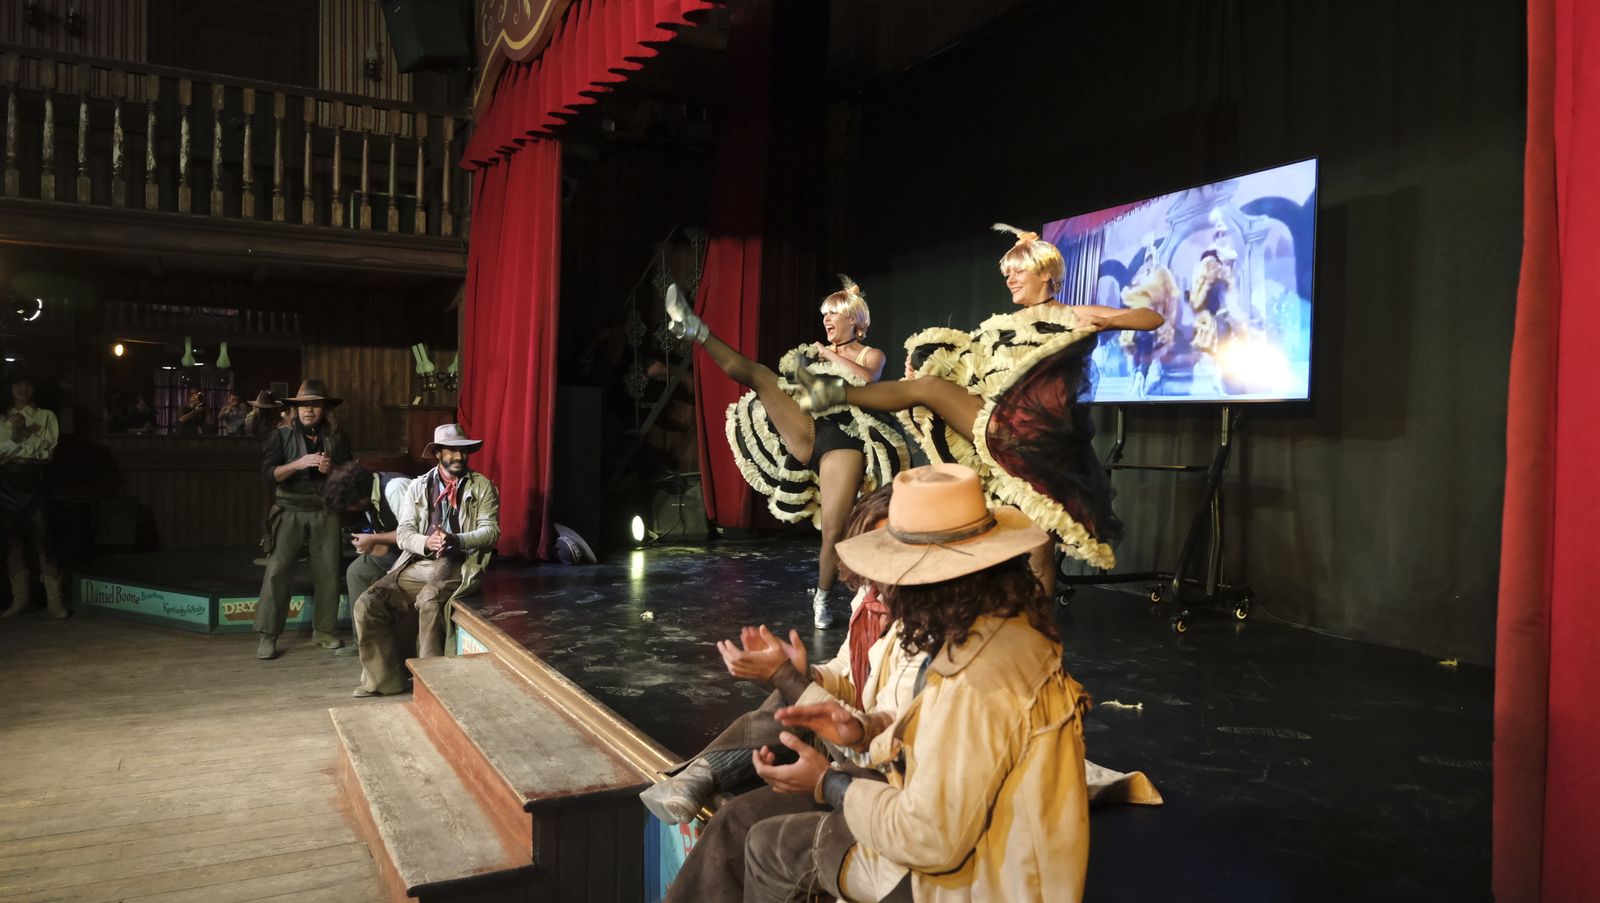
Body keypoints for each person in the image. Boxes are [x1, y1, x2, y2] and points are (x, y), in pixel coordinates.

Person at [743, 463, 1092, 902]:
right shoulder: (994, 628)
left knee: (768, 847)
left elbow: (929, 839)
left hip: (978, 883)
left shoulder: (978, 679)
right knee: (762, 822)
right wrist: (869, 729)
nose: (884, 589)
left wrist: (828, 783)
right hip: (974, 849)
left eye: (894, 575)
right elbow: (935, 733)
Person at [794, 225, 1165, 594]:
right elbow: (976, 379)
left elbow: (1152, 319)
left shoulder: (1071, 314)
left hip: (1038, 439)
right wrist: (922, 377)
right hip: (1000, 427)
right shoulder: (1003, 329)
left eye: (1018, 272)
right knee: (928, 387)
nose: (1010, 280)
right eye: (1007, 274)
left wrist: (1100, 319)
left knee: (1039, 551)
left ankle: (1041, 635)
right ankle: (838, 394)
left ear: (1046, 275)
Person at [666, 277, 910, 628]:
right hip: (811, 431)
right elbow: (795, 387)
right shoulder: (811, 354)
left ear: (855, 321)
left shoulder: (871, 354)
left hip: (846, 442)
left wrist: (826, 354)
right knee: (760, 375)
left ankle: (824, 596)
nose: (826, 321)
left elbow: (866, 379)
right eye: (824, 314)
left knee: (833, 531)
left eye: (834, 315)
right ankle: (695, 329)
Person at [349, 423, 499, 698]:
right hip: (419, 561)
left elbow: (491, 531)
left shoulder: (482, 486)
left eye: (463, 451)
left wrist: (456, 539)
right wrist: (426, 542)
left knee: (429, 600)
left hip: (460, 562)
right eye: (452, 450)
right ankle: (385, 681)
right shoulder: (419, 486)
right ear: (438, 453)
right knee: (368, 602)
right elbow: (405, 532)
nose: (459, 457)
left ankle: (431, 685)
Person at [253, 379, 353, 660]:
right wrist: (298, 464)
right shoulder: (281, 435)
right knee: (277, 572)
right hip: (289, 509)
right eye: (303, 405)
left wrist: (331, 469)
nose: (309, 410)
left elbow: (348, 477)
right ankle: (268, 635)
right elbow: (267, 475)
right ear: (295, 409)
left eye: (315, 405)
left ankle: (324, 631)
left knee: (329, 572)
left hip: (325, 510)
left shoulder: (338, 436)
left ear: (324, 409)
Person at [319, 462, 413, 672]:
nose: (350, 510)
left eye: (350, 505)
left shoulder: (395, 488)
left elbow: (415, 535)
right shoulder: (370, 497)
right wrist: (370, 543)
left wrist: (374, 539)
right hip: (396, 552)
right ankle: (362, 641)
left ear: (359, 496)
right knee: (357, 571)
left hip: (418, 556)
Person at [0, 370, 66, 618]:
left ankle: (55, 602)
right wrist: (17, 439)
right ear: (8, 387)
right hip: (6, 486)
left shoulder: (46, 416)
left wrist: (17, 447)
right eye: (17, 383)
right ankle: (20, 601)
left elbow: (47, 453)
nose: (22, 388)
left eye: (27, 382)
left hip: (35, 484)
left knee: (44, 542)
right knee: (13, 543)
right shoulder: (2, 419)